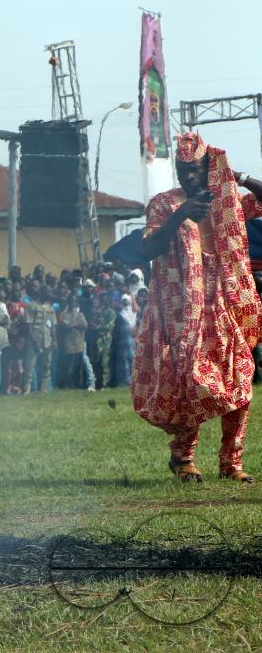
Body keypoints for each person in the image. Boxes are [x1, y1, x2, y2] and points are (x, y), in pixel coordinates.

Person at [134, 132, 262, 483]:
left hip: (226, 302)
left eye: (194, 170)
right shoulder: (164, 203)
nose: (187, 177)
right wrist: (180, 217)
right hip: (181, 308)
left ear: (208, 168)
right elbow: (147, 250)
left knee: (240, 380)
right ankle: (183, 458)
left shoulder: (228, 199)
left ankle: (232, 463)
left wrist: (237, 177)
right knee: (192, 381)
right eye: (181, 169)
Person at [22, 285, 55, 394]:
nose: (50, 294)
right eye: (48, 292)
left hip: (47, 340)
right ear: (41, 292)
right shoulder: (32, 306)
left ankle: (44, 389)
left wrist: (54, 339)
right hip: (34, 340)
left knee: (46, 365)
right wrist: (33, 340)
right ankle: (26, 389)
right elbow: (28, 325)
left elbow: (53, 325)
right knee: (29, 366)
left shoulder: (50, 307)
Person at [58, 295, 95, 391]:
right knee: (68, 365)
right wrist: (76, 325)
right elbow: (65, 326)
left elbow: (85, 325)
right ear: (68, 303)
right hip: (68, 343)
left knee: (81, 364)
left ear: (76, 303)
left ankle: (86, 383)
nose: (72, 304)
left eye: (74, 302)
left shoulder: (80, 314)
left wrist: (74, 325)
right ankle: (67, 384)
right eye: (71, 302)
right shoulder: (64, 314)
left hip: (79, 343)